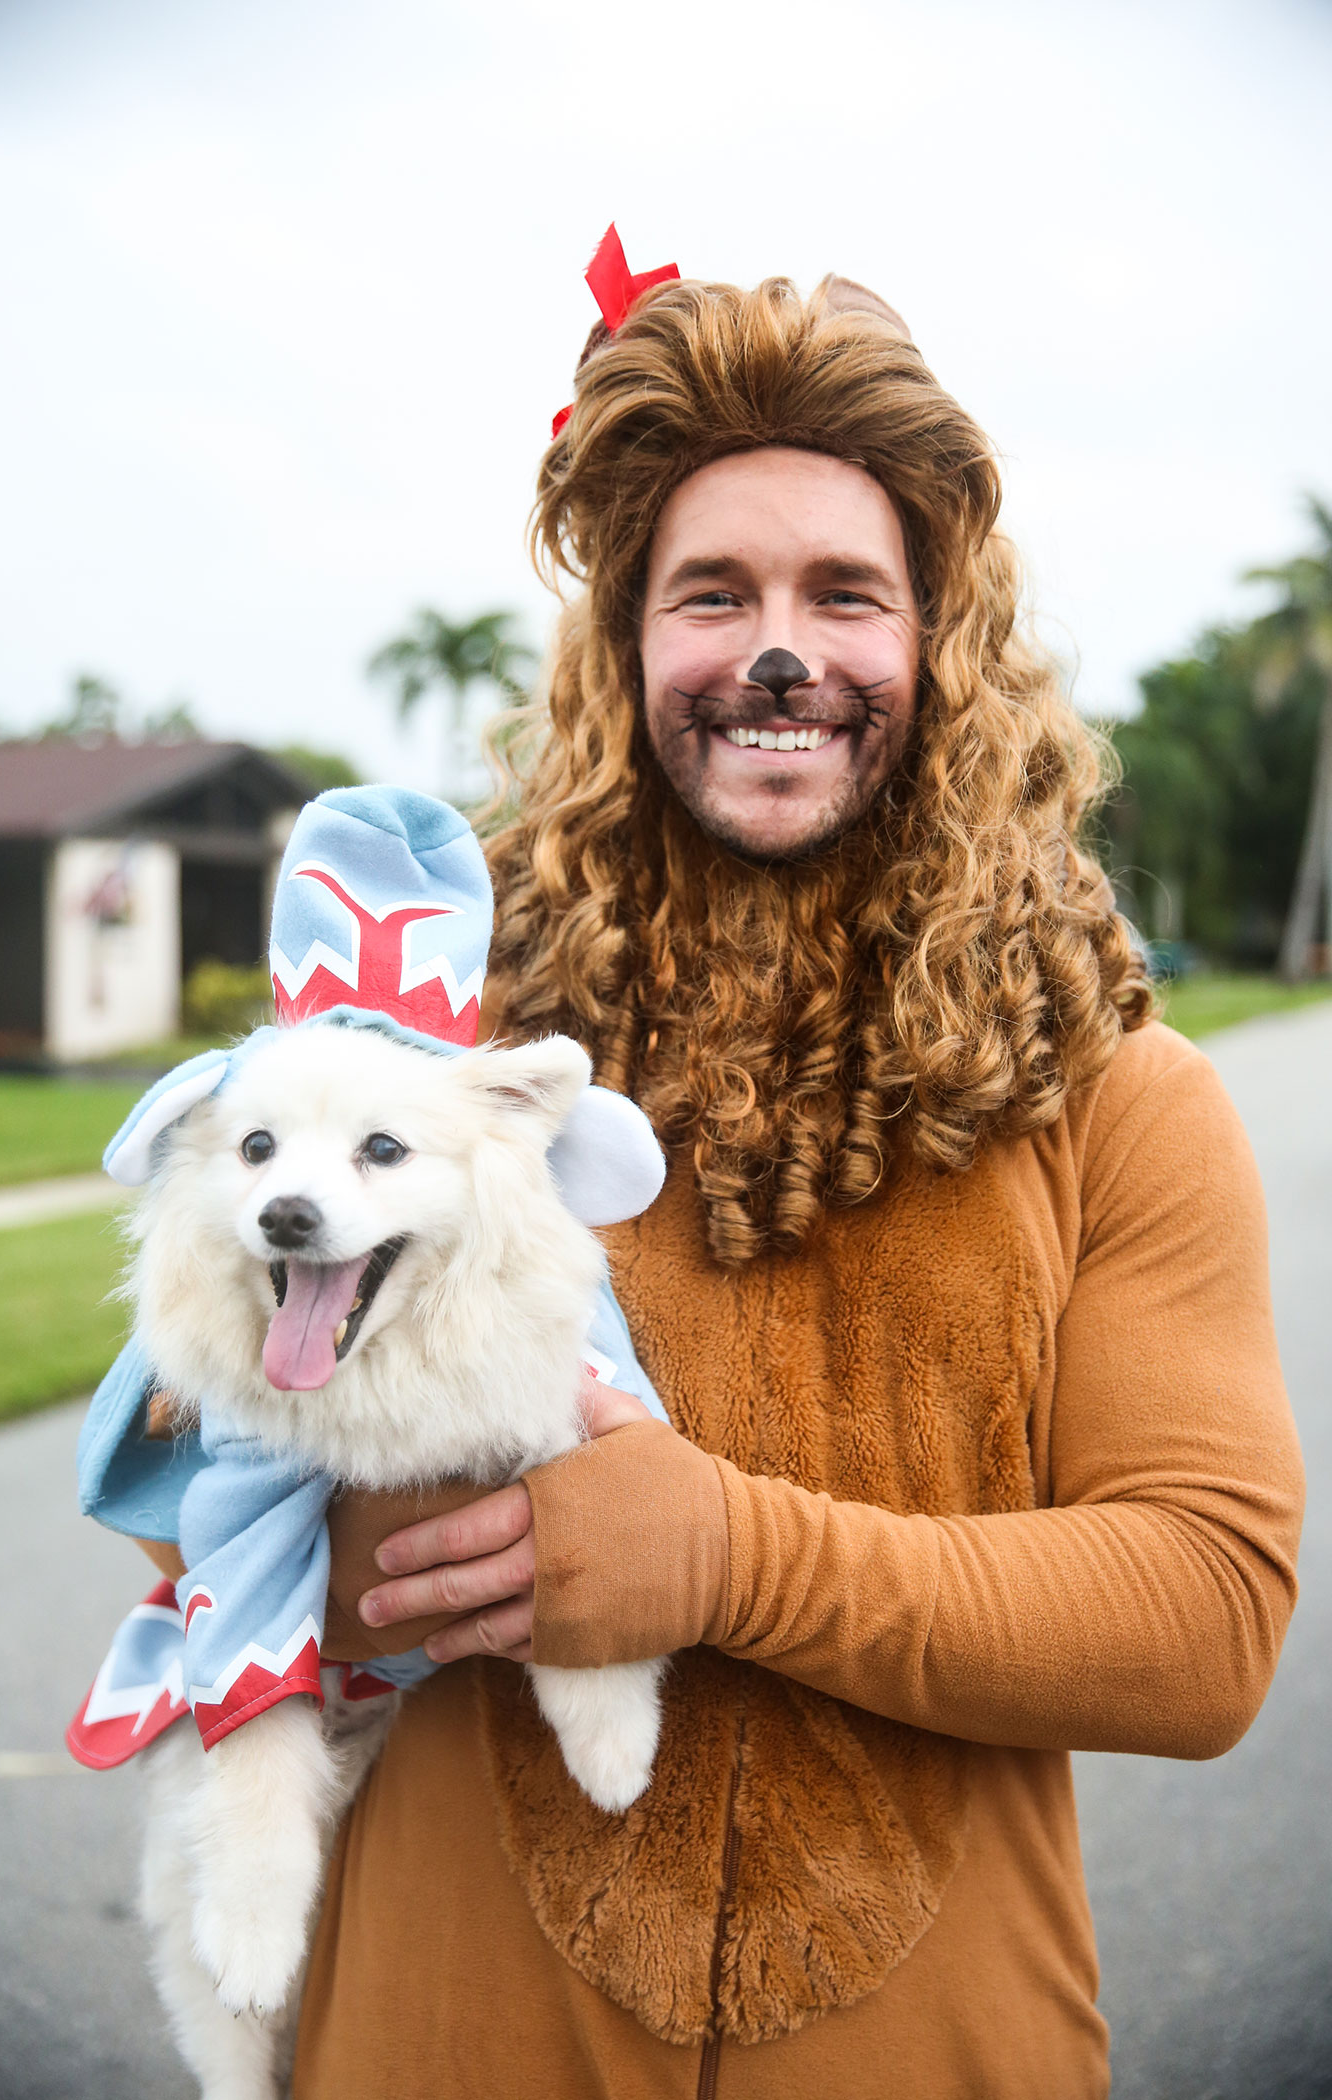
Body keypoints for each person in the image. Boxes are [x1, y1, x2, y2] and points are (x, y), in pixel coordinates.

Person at [293, 259, 1305, 2098]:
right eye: (713, 596)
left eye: (848, 594)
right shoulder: (429, 1054)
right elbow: (192, 1481)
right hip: (439, 2045)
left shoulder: (1124, 1100)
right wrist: (356, 1540)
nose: (783, 652)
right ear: (625, 655)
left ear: (942, 650)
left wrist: (734, 1559)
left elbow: (1203, 1621)